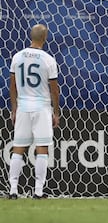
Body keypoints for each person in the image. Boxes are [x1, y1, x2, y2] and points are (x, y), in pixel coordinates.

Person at [8, 24, 60, 199]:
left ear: (31, 36)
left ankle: (13, 190)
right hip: (42, 108)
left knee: (18, 149)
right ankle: (38, 191)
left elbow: (12, 86)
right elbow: (54, 90)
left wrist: (14, 109)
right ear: (44, 38)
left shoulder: (17, 57)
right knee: (42, 149)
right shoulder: (48, 59)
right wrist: (56, 112)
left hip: (22, 108)